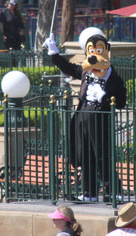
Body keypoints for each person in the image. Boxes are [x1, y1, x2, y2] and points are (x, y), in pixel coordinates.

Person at [46, 31, 128, 201]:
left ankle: (114, 192)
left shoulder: (113, 78)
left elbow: (121, 102)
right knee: (85, 154)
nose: (93, 56)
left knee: (102, 154)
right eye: (91, 51)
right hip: (83, 114)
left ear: (106, 51)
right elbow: (70, 68)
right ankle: (89, 193)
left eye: (98, 51)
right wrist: (54, 52)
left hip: (100, 116)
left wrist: (104, 97)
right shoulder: (87, 72)